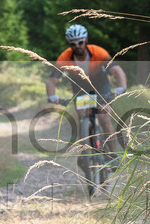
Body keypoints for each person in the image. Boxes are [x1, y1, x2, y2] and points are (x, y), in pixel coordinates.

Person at [45, 24, 127, 155]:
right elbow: (52, 80)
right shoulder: (64, 57)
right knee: (81, 116)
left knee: (104, 118)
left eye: (80, 42)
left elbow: (117, 71)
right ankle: (85, 153)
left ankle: (113, 155)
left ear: (86, 40)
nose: (77, 46)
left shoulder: (98, 52)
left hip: (101, 85)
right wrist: (52, 96)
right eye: (73, 44)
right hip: (80, 87)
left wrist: (121, 87)